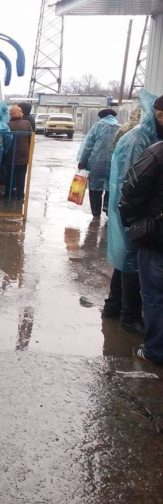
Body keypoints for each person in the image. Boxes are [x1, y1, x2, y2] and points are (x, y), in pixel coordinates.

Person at [105, 90, 161, 335]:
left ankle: (114, 306)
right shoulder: (140, 138)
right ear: (159, 116)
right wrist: (131, 215)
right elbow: (131, 181)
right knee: (131, 260)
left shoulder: (147, 135)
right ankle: (129, 316)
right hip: (131, 209)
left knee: (126, 259)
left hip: (132, 207)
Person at [119, 140, 163, 364]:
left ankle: (155, 351)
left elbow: (131, 189)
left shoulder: (156, 153)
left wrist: (132, 221)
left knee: (155, 296)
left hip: (157, 240)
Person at [77, 108, 120, 218]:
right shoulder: (120, 127)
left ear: (101, 117)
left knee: (94, 188)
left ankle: (96, 214)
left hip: (96, 163)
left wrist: (82, 162)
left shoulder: (97, 126)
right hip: (114, 163)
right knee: (111, 185)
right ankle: (107, 205)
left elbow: (88, 146)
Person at [1, 105, 33, 200]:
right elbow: (31, 138)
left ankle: (9, 193)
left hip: (11, 153)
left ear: (11, 114)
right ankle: (20, 195)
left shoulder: (7, 125)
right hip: (24, 153)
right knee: (21, 175)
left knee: (10, 174)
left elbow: (4, 140)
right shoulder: (27, 123)